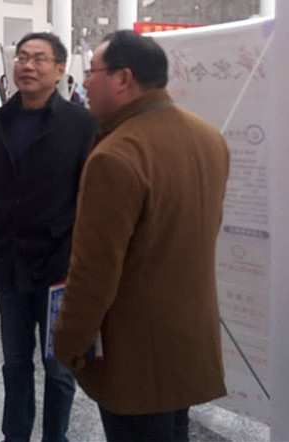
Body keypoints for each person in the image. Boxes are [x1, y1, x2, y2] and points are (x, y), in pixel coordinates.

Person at [53, 30, 229, 442]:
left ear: (123, 78)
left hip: (135, 353)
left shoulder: (117, 154)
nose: (85, 84)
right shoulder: (208, 137)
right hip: (189, 338)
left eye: (91, 72)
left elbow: (95, 271)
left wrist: (69, 342)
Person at [0, 32, 97, 442]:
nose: (28, 66)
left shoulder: (81, 125)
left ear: (60, 70)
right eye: (22, 57)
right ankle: (15, 435)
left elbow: (91, 198)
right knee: (15, 362)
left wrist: (86, 262)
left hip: (60, 265)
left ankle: (56, 437)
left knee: (60, 366)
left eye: (39, 59)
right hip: (10, 261)